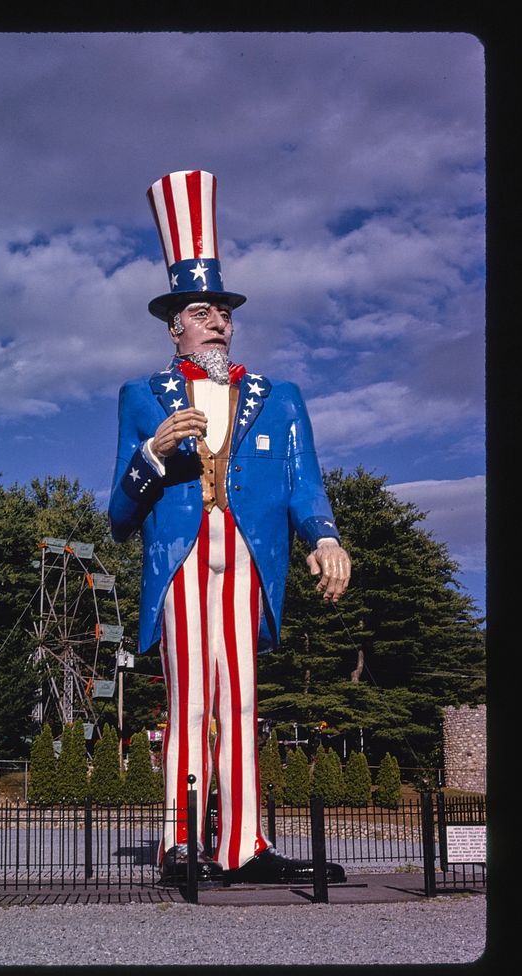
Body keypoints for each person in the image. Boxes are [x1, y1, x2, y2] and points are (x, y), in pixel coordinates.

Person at [108, 170, 351, 884]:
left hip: (247, 559)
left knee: (239, 696)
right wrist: (151, 454)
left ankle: (241, 845)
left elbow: (304, 480)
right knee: (189, 700)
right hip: (183, 559)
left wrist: (325, 535)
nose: (218, 320)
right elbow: (119, 516)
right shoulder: (141, 396)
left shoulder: (279, 397)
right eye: (202, 310)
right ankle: (178, 843)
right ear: (174, 323)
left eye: (224, 310)